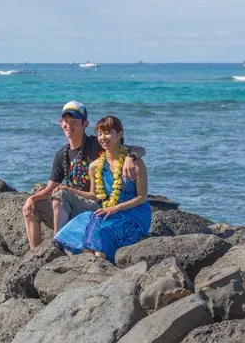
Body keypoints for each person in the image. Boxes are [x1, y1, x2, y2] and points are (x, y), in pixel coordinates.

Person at [22, 101, 145, 250]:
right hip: (71, 205)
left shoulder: (97, 143)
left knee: (61, 196)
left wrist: (130, 158)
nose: (69, 126)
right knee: (33, 207)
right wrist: (31, 199)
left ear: (85, 124)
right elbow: (49, 189)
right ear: (61, 123)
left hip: (96, 205)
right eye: (66, 121)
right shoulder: (61, 155)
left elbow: (138, 149)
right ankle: (37, 254)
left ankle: (58, 246)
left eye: (74, 122)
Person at [53, 115, 151, 263]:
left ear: (120, 134)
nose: (103, 138)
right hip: (109, 211)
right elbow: (94, 195)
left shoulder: (135, 164)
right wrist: (69, 190)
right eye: (99, 134)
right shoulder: (95, 166)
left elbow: (142, 198)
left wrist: (115, 208)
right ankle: (92, 265)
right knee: (84, 221)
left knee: (98, 228)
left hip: (135, 212)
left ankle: (100, 264)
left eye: (107, 133)